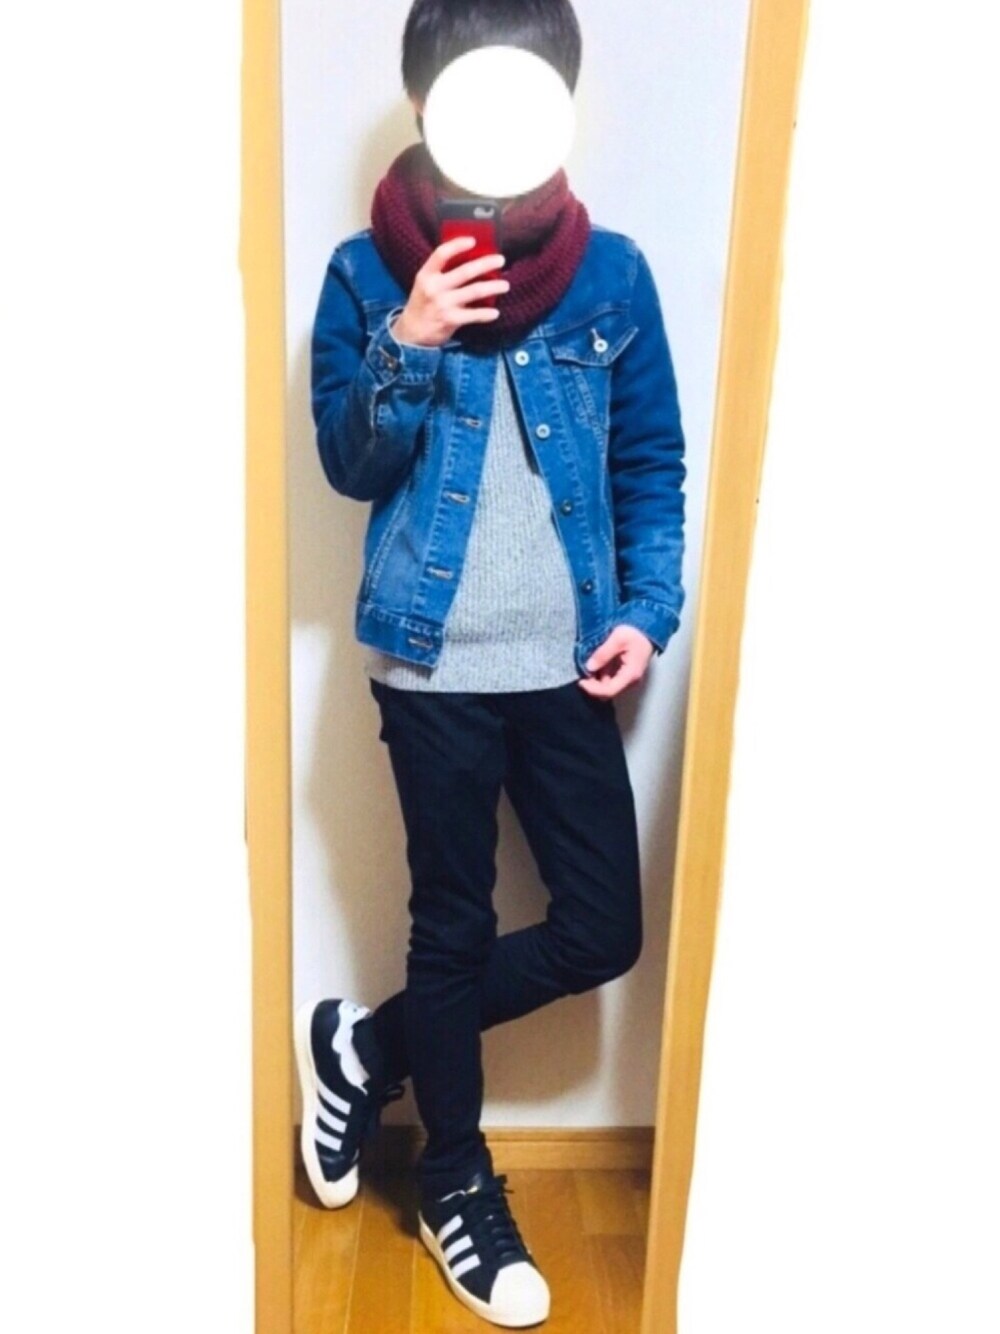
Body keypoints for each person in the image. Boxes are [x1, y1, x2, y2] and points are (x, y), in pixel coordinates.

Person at [295, 0, 686, 1324]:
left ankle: (369, 1045)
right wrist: (408, 340)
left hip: (570, 665)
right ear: (425, 104)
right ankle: (453, 1175)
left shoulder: (613, 275)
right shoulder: (365, 276)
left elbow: (649, 461)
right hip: (430, 670)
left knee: (601, 929)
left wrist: (648, 608)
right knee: (450, 927)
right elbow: (351, 466)